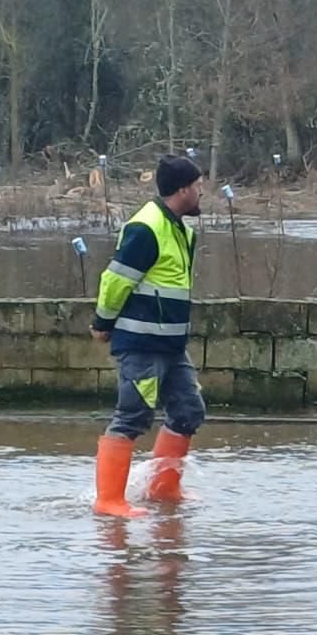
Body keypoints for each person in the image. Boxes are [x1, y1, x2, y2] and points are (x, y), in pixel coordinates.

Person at [89, 154, 206, 517]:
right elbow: (116, 280)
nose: (202, 192)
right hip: (141, 344)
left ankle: (164, 490)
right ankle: (108, 501)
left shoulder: (182, 230)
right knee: (132, 416)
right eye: (199, 185)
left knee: (188, 411)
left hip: (171, 345)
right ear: (183, 190)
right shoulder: (147, 227)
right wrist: (102, 323)